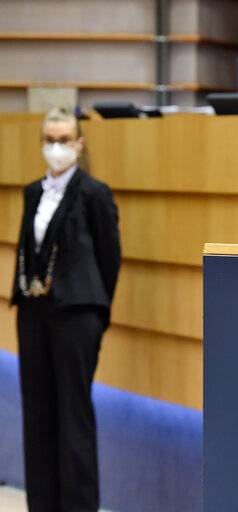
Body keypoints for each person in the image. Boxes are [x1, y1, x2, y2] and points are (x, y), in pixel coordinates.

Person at [10, 107, 121, 511]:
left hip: (77, 314)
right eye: (49, 139)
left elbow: (110, 257)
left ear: (79, 143)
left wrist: (97, 309)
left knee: (73, 413)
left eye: (64, 139)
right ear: (41, 143)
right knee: (37, 409)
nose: (56, 146)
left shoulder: (94, 192)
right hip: (33, 311)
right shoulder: (32, 192)